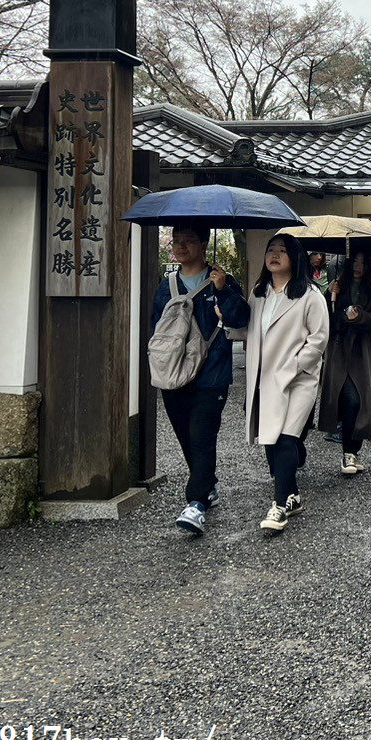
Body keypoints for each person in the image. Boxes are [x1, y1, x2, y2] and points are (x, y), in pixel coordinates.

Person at [151, 223, 251, 537]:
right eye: (177, 241)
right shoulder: (166, 285)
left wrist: (222, 290)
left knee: (202, 434)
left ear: (204, 243)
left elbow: (240, 318)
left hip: (212, 373)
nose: (180, 247)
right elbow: (158, 326)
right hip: (176, 372)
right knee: (185, 436)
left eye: (188, 240)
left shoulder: (222, 280)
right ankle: (207, 484)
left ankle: (196, 504)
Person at [242, 233, 330, 532]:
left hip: (297, 380)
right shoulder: (258, 294)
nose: (275, 255)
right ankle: (292, 495)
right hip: (263, 379)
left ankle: (279, 506)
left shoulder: (310, 296)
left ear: (295, 257)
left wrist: (294, 366)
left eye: (282, 250)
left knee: (286, 438)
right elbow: (247, 331)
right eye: (271, 250)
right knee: (269, 438)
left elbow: (318, 340)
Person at [320, 250, 371, 476]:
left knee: (361, 402)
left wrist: (359, 317)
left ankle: (354, 451)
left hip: (364, 352)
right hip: (341, 351)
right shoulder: (338, 287)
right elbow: (324, 315)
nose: (358, 266)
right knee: (348, 398)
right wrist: (330, 296)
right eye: (355, 262)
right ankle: (348, 452)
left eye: (363, 262)